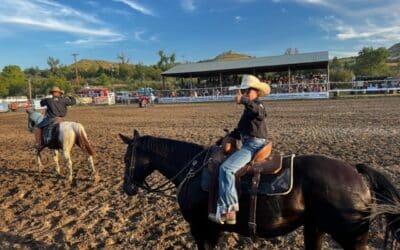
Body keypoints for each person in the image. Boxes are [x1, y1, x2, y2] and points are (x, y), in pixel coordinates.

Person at [209, 75, 271, 225]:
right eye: (244, 91)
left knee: (226, 169)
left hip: (254, 145)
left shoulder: (258, 105)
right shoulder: (247, 110)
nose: (245, 93)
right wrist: (226, 138)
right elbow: (240, 130)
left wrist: (243, 100)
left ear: (256, 91)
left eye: (248, 90)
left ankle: (229, 212)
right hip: (249, 143)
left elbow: (260, 113)